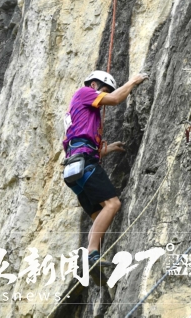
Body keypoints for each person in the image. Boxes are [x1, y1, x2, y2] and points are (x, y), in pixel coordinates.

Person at [62, 69, 149, 280]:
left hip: (75, 167)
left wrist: (108, 149)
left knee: (99, 216)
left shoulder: (83, 114)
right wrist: (134, 81)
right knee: (112, 205)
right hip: (84, 163)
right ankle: (91, 256)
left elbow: (84, 142)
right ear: (93, 85)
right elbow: (117, 98)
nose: (105, 94)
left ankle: (89, 263)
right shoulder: (84, 92)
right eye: (104, 89)